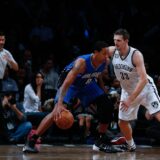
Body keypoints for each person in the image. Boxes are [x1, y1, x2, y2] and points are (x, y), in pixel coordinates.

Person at [22, 41, 122, 153]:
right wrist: (59, 104)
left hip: (86, 83)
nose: (106, 57)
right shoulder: (81, 63)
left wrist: (104, 92)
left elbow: (97, 75)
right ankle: (31, 140)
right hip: (70, 85)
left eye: (107, 54)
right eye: (104, 54)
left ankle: (100, 141)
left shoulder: (105, 60)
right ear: (95, 52)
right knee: (57, 111)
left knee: (107, 104)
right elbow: (66, 84)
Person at [106, 28, 160, 151]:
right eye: (114, 40)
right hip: (127, 90)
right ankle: (131, 145)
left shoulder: (136, 55)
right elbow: (96, 55)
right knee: (122, 122)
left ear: (126, 41)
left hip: (145, 88)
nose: (115, 43)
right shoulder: (111, 51)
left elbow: (143, 80)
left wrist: (130, 99)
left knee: (158, 114)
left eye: (118, 40)